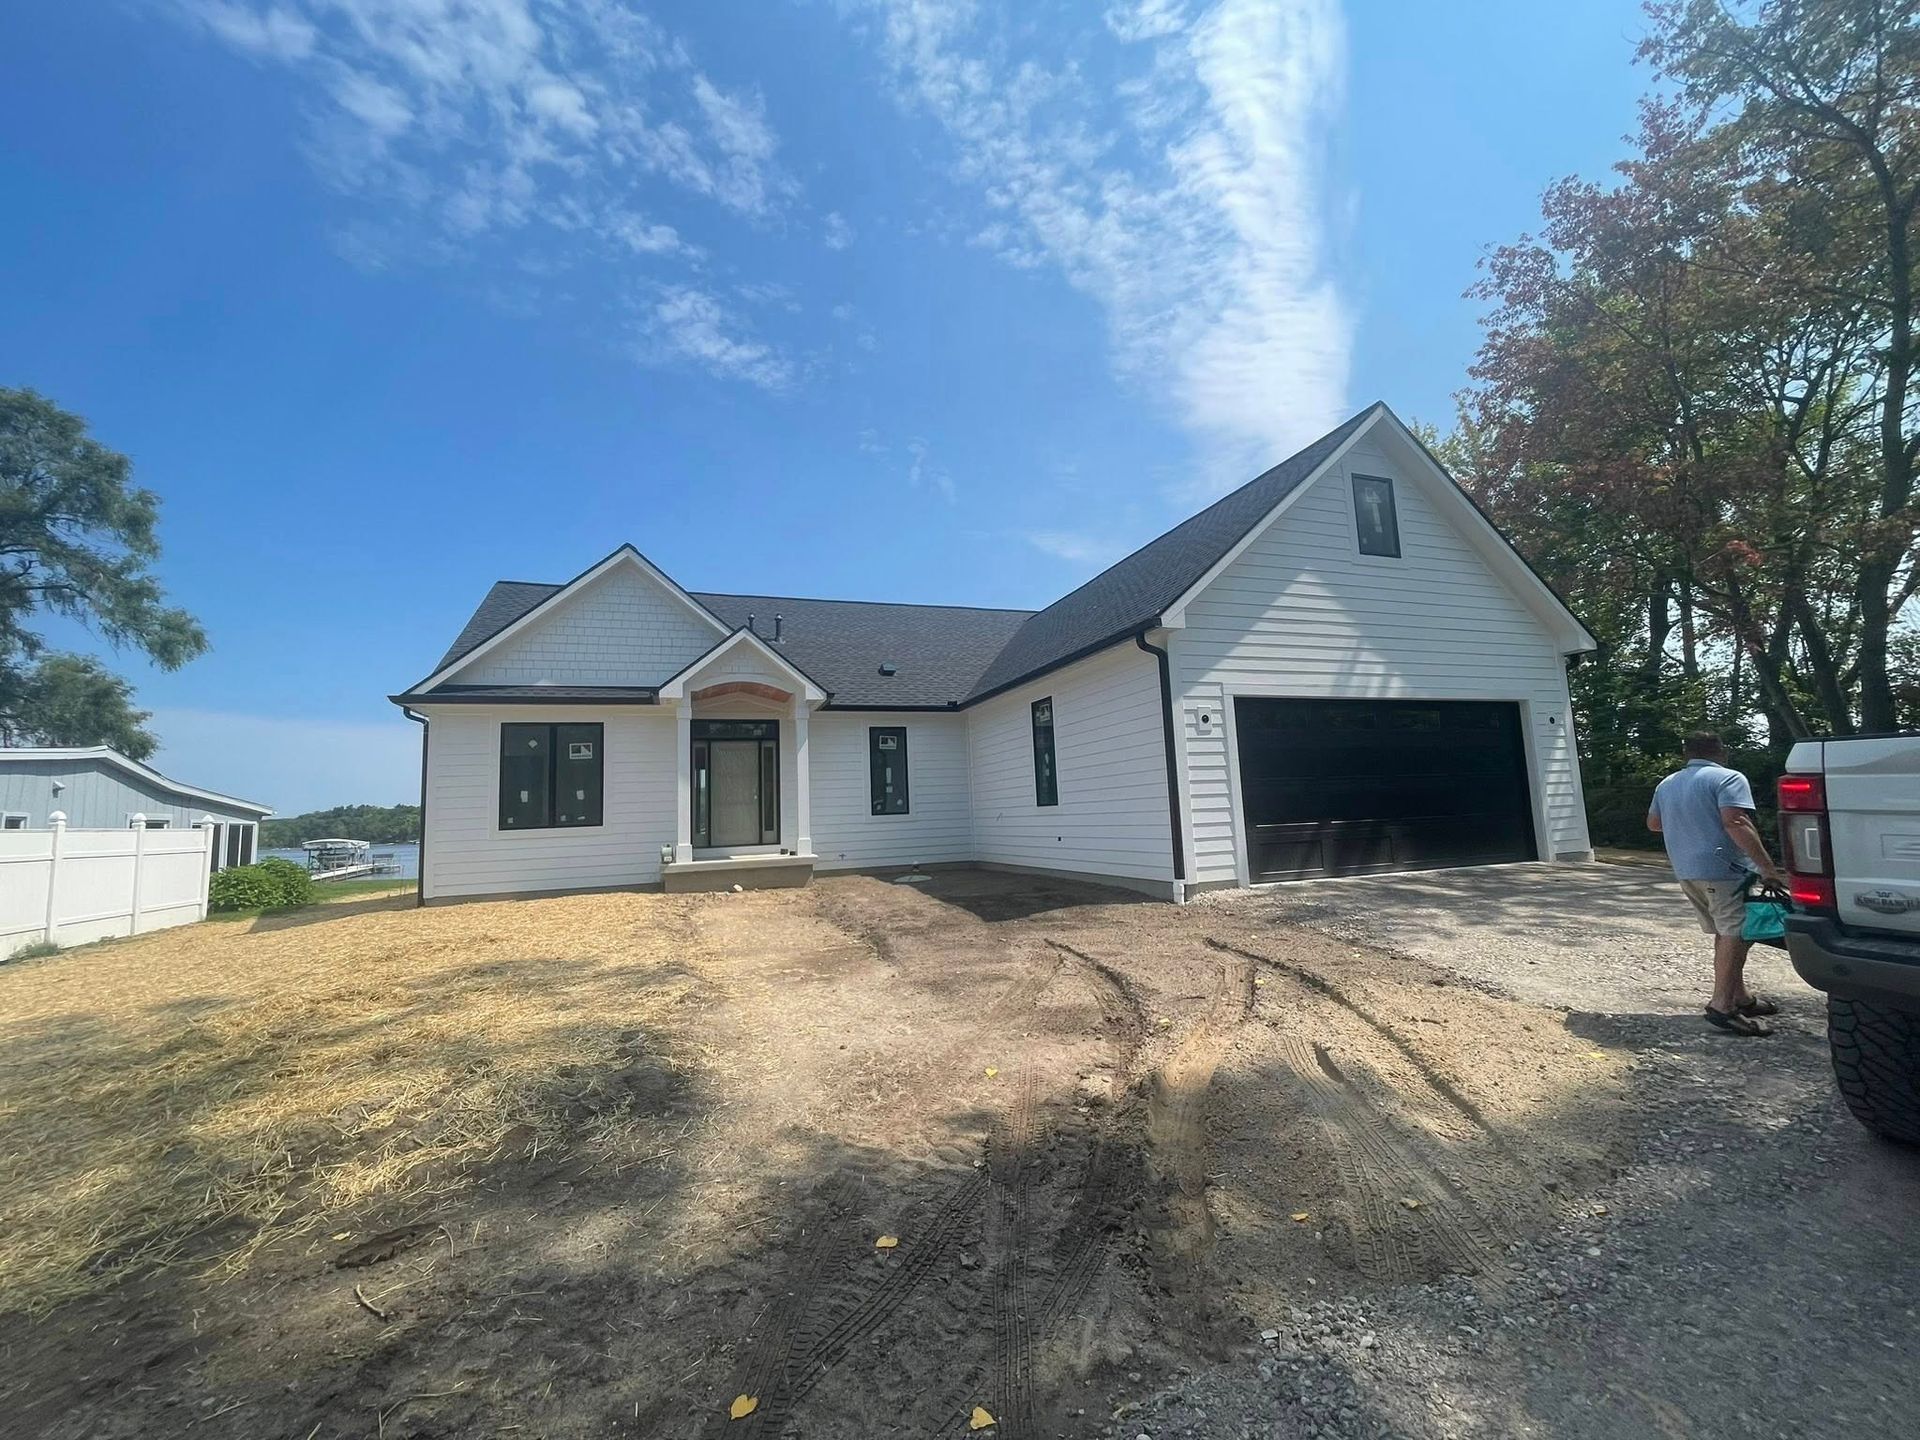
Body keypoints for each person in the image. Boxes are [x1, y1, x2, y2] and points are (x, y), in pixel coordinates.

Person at [1647, 732, 1787, 1037]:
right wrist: (1766, 868)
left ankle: (1741, 997)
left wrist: (1688, 821)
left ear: (1686, 752)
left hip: (1687, 870)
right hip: (1724, 871)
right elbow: (1736, 822)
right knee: (1735, 933)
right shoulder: (1728, 778)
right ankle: (1722, 1005)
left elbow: (1654, 824)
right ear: (1720, 750)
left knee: (1726, 934)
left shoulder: (1667, 783)